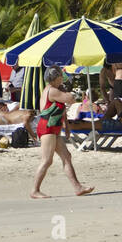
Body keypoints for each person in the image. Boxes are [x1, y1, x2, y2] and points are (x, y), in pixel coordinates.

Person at [32, 67, 93, 199]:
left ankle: (78, 187)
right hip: (47, 127)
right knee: (47, 160)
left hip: (53, 127)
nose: (63, 79)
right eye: (61, 76)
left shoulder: (55, 90)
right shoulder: (52, 90)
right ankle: (35, 190)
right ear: (57, 78)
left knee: (66, 156)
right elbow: (70, 98)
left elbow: (61, 110)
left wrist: (66, 127)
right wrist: (68, 91)